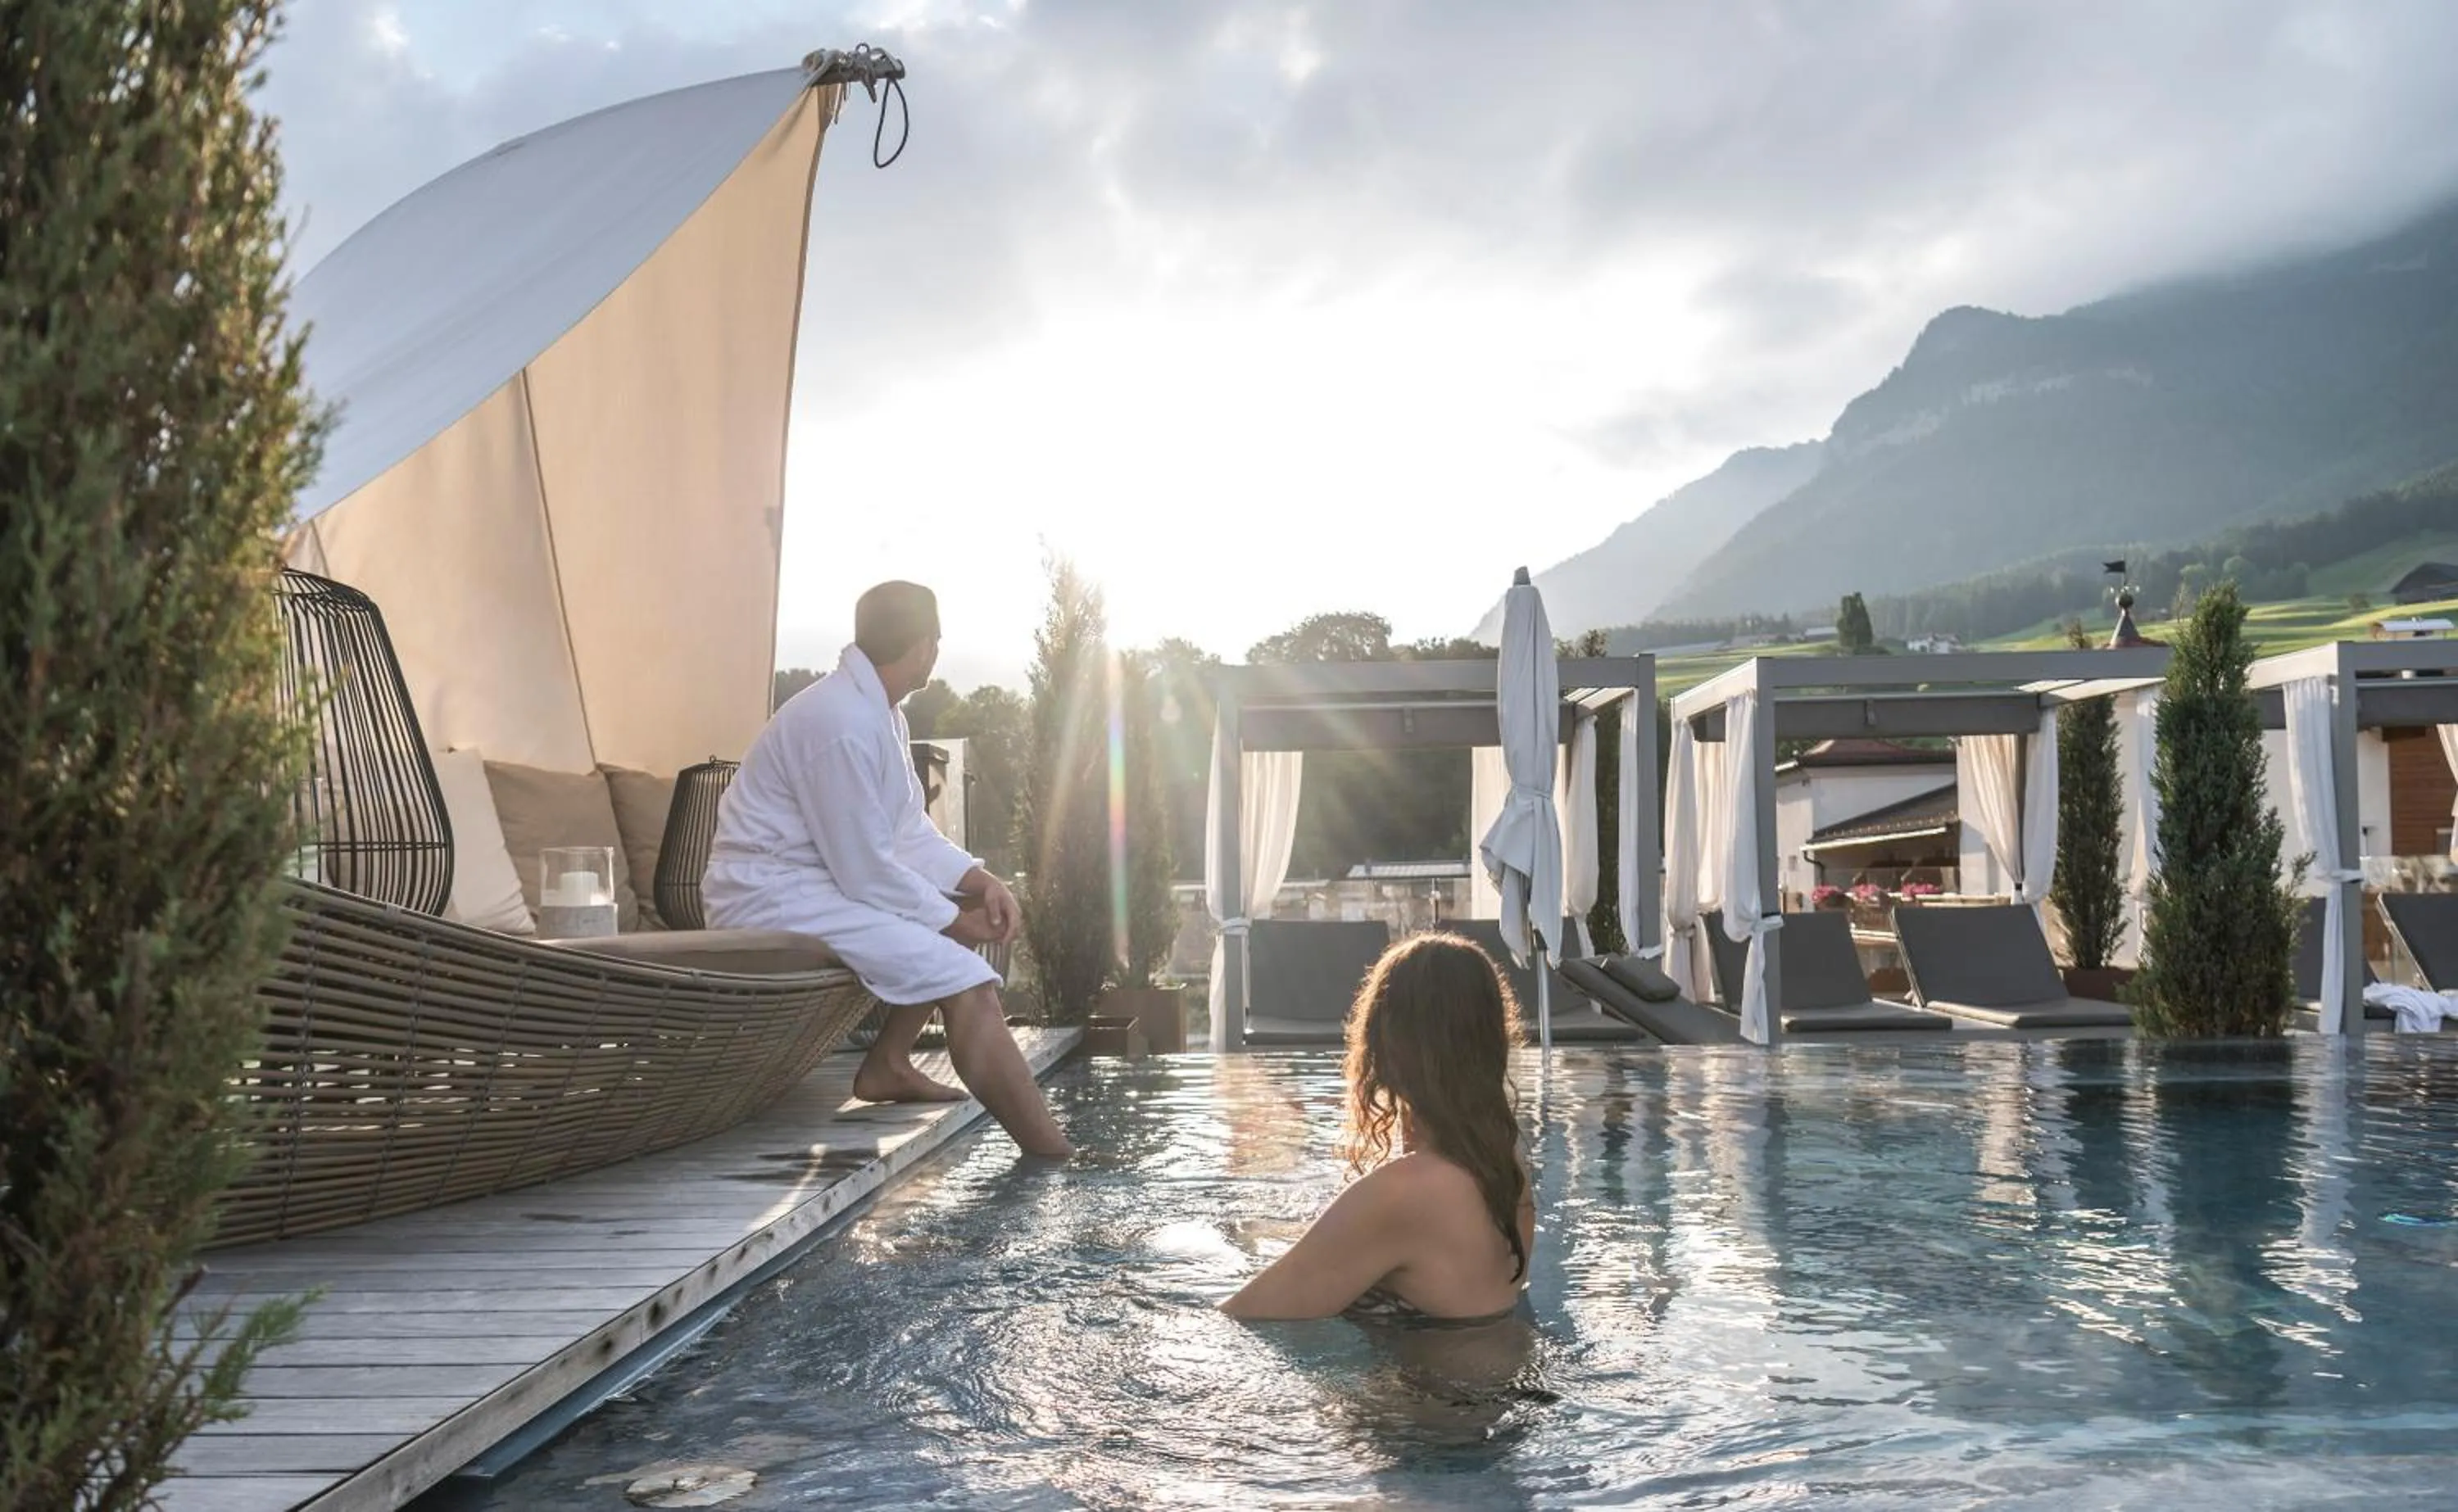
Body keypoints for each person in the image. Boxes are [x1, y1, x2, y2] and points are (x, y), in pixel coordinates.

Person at [703, 581, 1073, 1158]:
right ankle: (1054, 1157)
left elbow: (904, 832)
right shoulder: (841, 722)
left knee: (938, 925)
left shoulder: (879, 712)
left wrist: (978, 883)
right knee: (968, 981)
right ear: (926, 646)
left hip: (815, 882)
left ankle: (888, 1064)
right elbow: (866, 871)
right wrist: (956, 920)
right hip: (768, 896)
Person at [1222, 933, 1533, 1322]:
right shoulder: (1508, 1170)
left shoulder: (1403, 1191)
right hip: (1510, 1376)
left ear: (1386, 1048)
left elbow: (1241, 1317)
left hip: (1417, 1384)